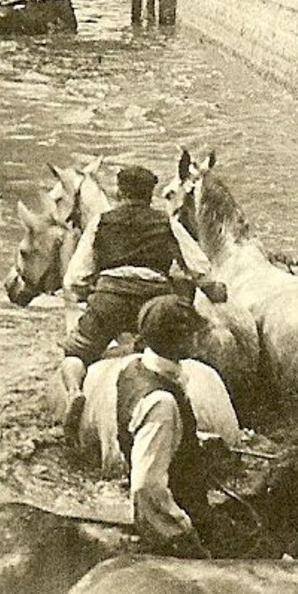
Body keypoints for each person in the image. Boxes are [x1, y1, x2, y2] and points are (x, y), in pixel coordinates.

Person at [57, 165, 227, 434]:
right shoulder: (165, 222)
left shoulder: (101, 222)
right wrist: (215, 289)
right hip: (154, 303)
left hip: (110, 299)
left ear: (120, 192)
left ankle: (75, 392)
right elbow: (198, 266)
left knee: (75, 350)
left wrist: (87, 293)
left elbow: (74, 279)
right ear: (150, 196)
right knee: (184, 353)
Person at [116, 295, 222, 556]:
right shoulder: (161, 404)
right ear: (179, 341)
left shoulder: (135, 367)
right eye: (193, 334)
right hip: (181, 517)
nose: (199, 338)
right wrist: (185, 537)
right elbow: (146, 486)